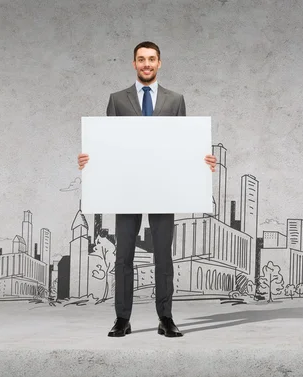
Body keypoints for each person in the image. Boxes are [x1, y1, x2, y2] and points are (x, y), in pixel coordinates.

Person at [78, 41, 217, 338]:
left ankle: (165, 318)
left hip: (163, 187)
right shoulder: (117, 100)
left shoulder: (175, 100)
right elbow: (108, 143)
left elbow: (182, 144)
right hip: (127, 187)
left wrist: (202, 159)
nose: (146, 64)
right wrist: (90, 159)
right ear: (134, 64)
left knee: (163, 255)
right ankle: (122, 319)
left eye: (151, 59)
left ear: (159, 63)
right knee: (124, 255)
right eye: (141, 59)